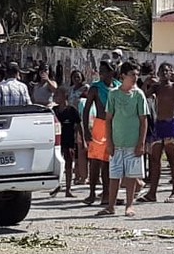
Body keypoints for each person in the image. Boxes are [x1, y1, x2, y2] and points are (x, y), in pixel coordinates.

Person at [97, 61, 148, 217]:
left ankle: (129, 205)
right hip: (117, 142)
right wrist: (109, 142)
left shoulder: (139, 95)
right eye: (132, 75)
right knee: (114, 175)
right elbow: (109, 119)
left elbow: (143, 120)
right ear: (123, 76)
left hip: (133, 143)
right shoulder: (113, 94)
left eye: (137, 75)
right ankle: (111, 206)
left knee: (132, 176)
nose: (135, 78)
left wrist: (141, 143)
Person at [140, 63, 174, 203]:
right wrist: (146, 84)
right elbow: (143, 97)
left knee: (172, 159)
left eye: (167, 70)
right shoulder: (157, 87)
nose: (164, 73)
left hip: (170, 124)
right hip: (158, 125)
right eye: (162, 71)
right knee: (155, 160)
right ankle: (152, 193)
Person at [83, 58, 120, 206]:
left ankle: (107, 194)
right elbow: (86, 110)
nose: (102, 74)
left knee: (109, 163)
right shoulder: (95, 88)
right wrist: (86, 129)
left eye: (105, 71)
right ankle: (92, 193)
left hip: (115, 126)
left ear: (112, 72)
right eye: (101, 71)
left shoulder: (118, 87)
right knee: (96, 162)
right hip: (100, 126)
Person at [51, 87, 83, 198]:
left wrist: (82, 141)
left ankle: (68, 189)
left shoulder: (72, 110)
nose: (55, 97)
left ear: (65, 96)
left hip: (69, 142)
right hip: (56, 143)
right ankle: (56, 186)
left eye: (58, 94)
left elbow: (79, 126)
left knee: (69, 165)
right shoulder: (53, 111)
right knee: (56, 166)